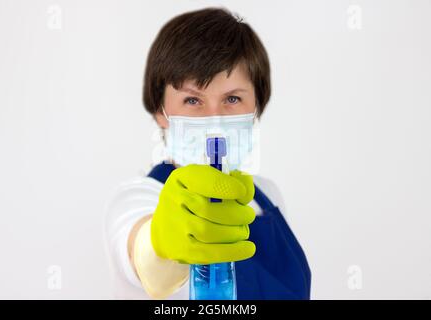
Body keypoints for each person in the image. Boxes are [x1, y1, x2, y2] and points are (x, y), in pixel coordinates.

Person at [104, 7, 311, 300]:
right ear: (159, 112)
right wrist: (160, 245)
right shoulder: (134, 199)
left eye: (232, 98)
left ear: (257, 106)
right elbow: (144, 257)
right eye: (192, 99)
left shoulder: (268, 195)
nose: (214, 120)